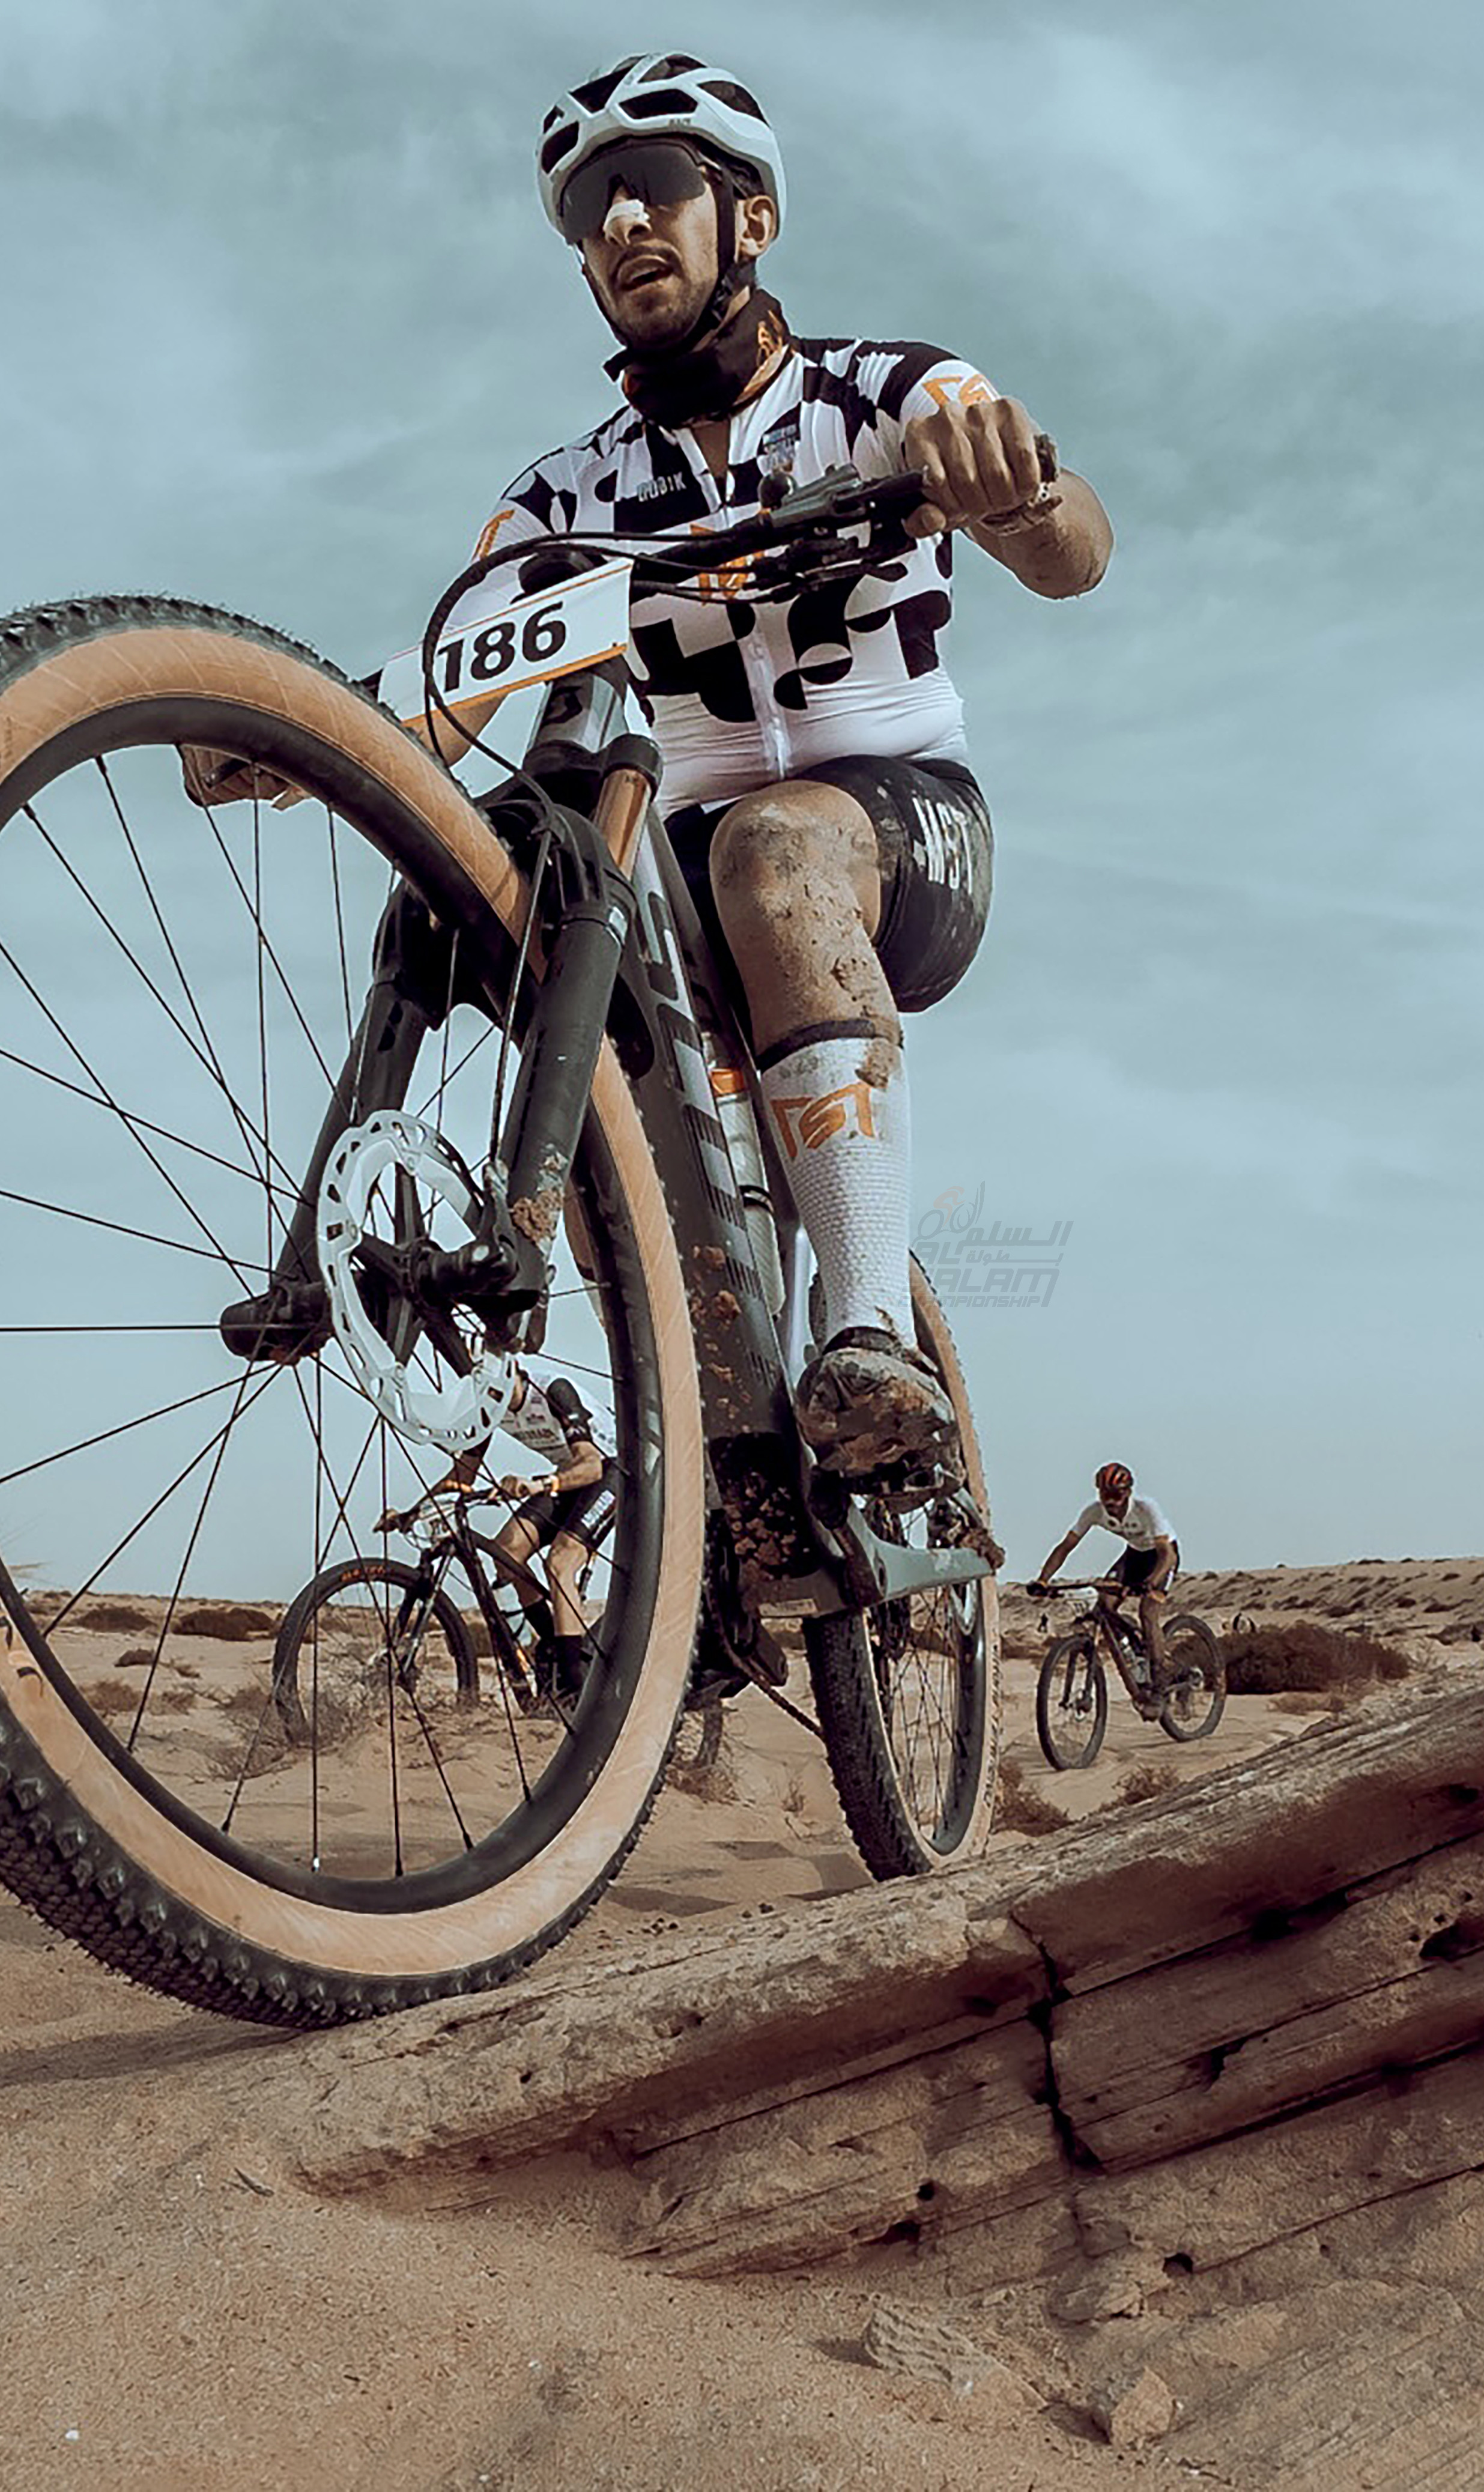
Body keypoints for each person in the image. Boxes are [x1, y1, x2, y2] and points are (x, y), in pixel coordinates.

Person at [485, 53, 1110, 1475]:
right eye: (588, 210)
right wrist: (300, 737)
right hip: (676, 881)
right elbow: (461, 665)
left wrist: (1017, 494)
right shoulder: (559, 493)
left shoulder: (884, 388)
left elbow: (1076, 553)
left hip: (897, 827)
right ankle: (698, 1468)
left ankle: (869, 1333)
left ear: (751, 219)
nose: (619, 223)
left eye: (652, 186)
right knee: (572, 971)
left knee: (770, 845)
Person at [432, 1363, 610, 1706]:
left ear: (513, 1368)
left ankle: (573, 1682)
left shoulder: (553, 1391)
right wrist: (415, 1510)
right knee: (506, 1552)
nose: (491, 1396)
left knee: (560, 1561)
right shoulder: (492, 1407)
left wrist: (540, 1484)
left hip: (610, 1470)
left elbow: (591, 1465)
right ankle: (555, 1645)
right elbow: (462, 1477)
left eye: (497, 1386)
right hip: (567, 1476)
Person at [1032, 1461, 1177, 1668]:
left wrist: (1152, 1582)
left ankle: (1161, 1670)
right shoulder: (1094, 1512)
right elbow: (1066, 1547)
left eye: (1116, 1495)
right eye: (1105, 1495)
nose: (1111, 1502)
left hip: (1163, 1556)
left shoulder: (1145, 1508)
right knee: (1105, 1606)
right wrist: (1043, 1580)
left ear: (1128, 1493)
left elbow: (1167, 1554)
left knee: (1148, 1611)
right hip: (1135, 1554)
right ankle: (1133, 1650)